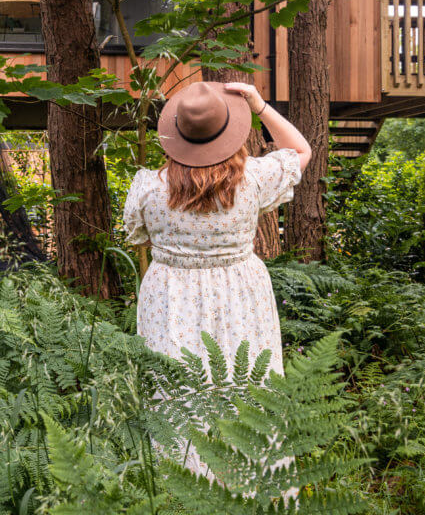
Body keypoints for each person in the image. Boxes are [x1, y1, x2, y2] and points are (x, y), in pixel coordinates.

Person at [122, 80, 312, 476]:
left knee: (177, 388)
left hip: (170, 293)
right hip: (240, 291)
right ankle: (252, 480)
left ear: (175, 135)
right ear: (229, 133)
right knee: (247, 384)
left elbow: (135, 234)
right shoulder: (254, 179)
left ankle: (180, 487)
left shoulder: (147, 187)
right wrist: (260, 106)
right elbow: (299, 150)